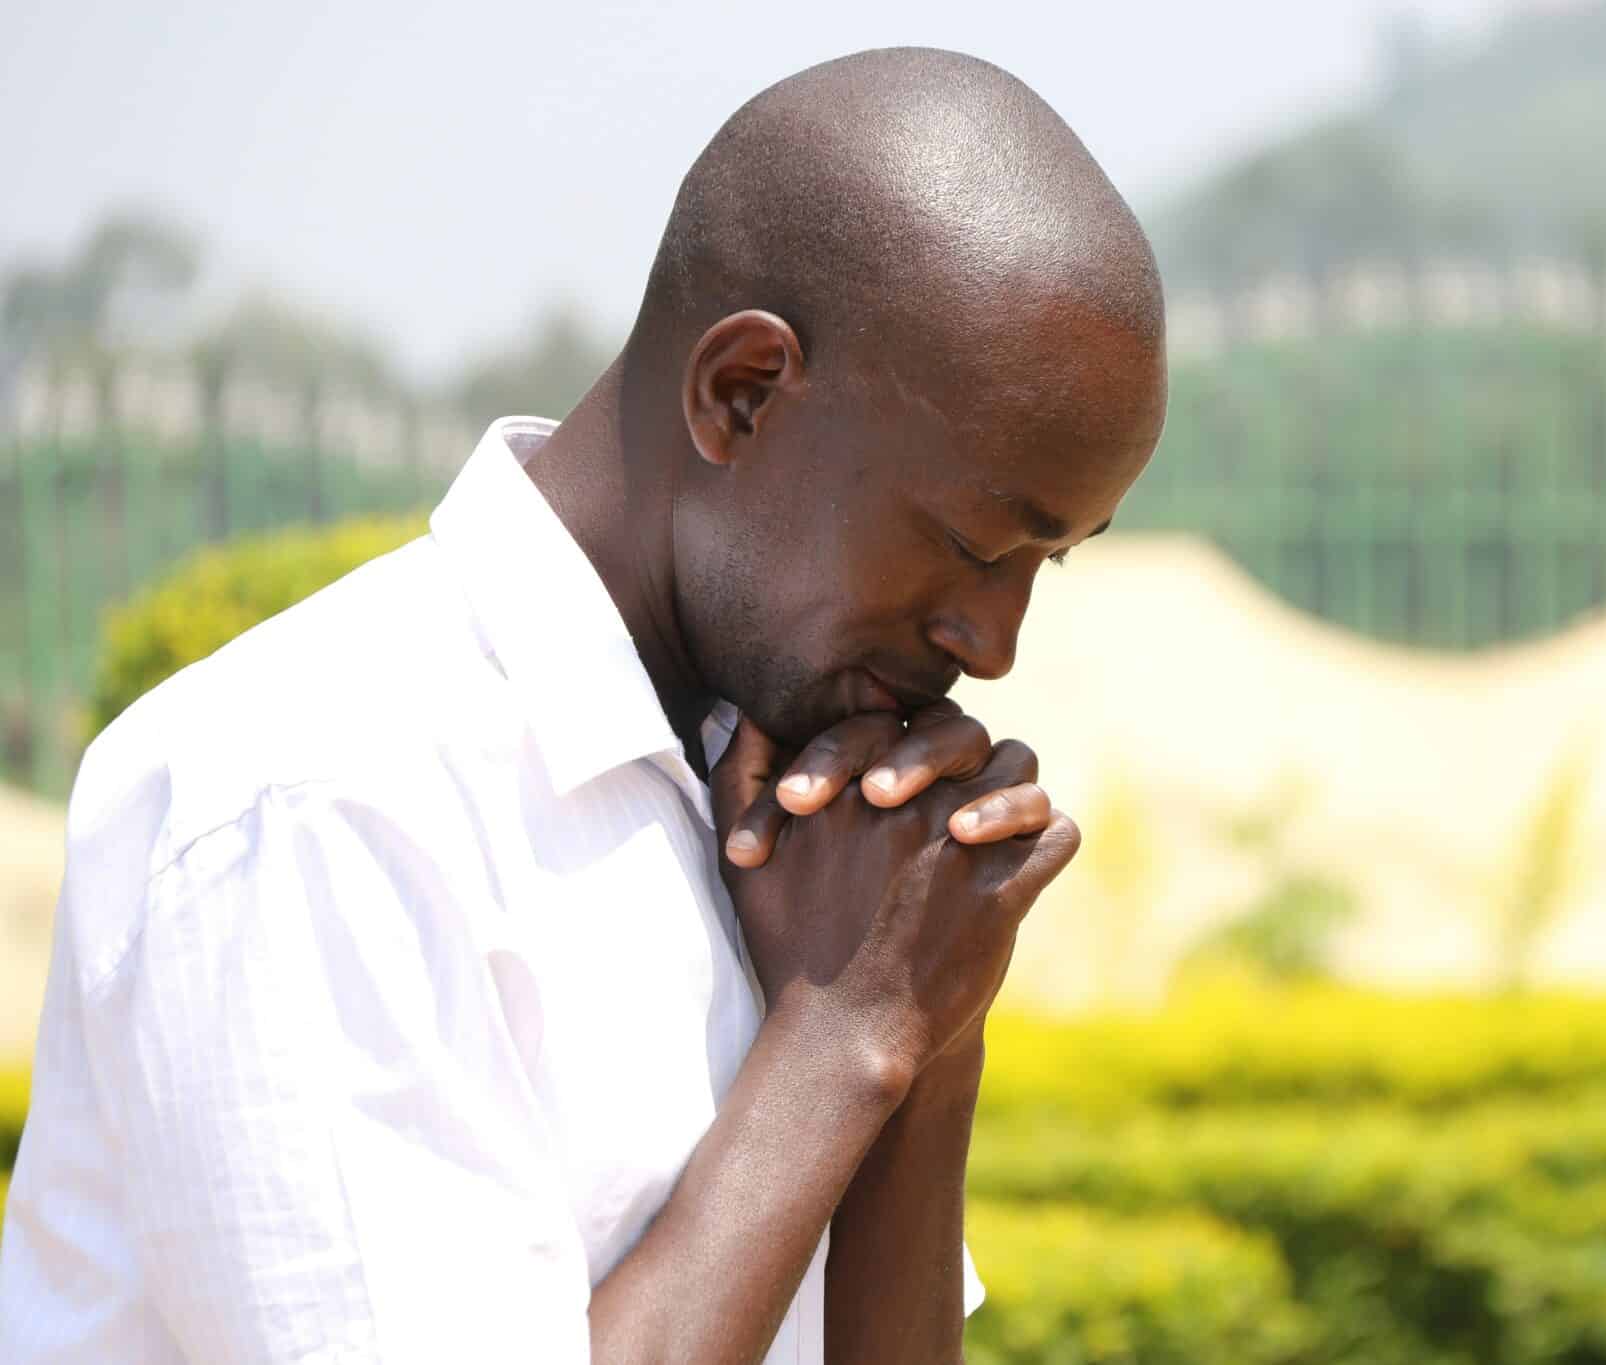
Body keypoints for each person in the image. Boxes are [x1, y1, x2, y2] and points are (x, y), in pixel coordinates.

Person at [0, 46, 1167, 1365]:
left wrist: (927, 1029)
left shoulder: (797, 808)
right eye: (970, 543)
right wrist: (843, 1034)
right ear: (741, 394)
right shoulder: (314, 794)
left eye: (1047, 563)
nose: (995, 642)